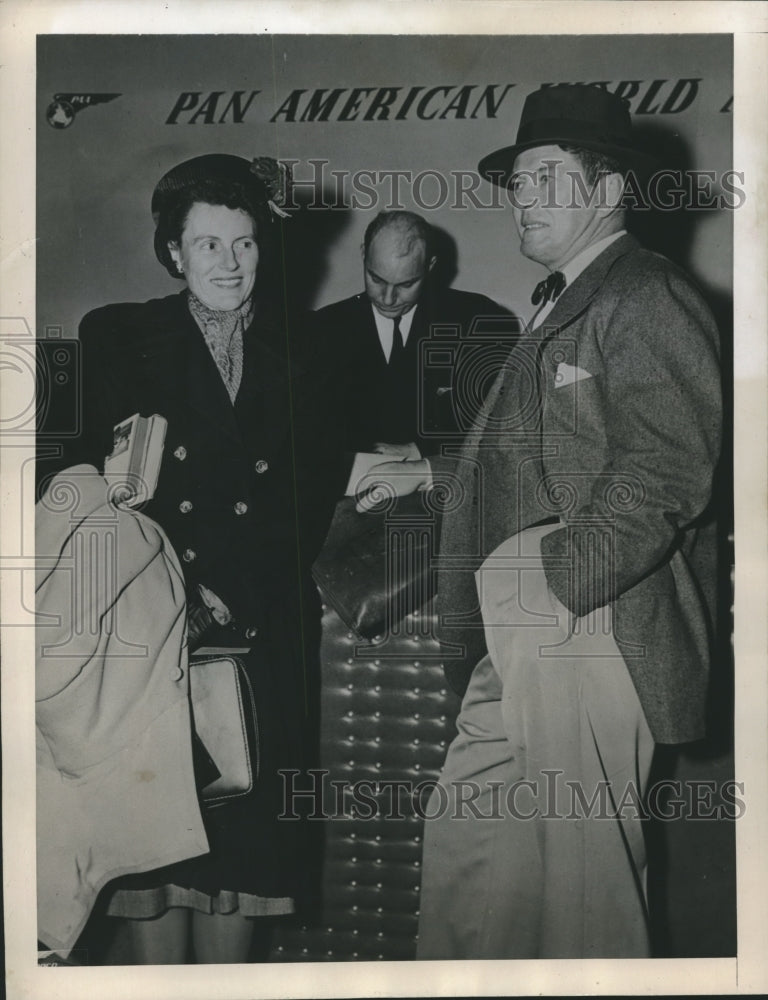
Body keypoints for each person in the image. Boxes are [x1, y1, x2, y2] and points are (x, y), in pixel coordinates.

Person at [356, 84, 722, 958]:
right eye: (516, 182)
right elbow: (547, 455)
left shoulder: (645, 293)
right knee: (473, 843)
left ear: (607, 190)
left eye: (543, 178)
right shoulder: (565, 298)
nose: (522, 197)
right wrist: (433, 469)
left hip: (587, 614)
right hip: (524, 618)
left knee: (585, 878)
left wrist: (558, 579)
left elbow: (670, 467)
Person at [37, 153, 340, 963]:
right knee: (154, 861)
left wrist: (227, 596)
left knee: (241, 858)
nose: (229, 264)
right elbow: (54, 471)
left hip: (256, 635)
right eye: (207, 245)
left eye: (243, 244)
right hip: (148, 638)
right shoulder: (116, 335)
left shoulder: (304, 358)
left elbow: (304, 510)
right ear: (173, 250)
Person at [314, 210, 510, 460]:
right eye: (376, 279)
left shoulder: (480, 320)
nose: (387, 299)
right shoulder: (323, 328)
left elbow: (497, 416)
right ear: (364, 254)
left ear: (430, 265)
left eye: (406, 285)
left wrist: (422, 449)